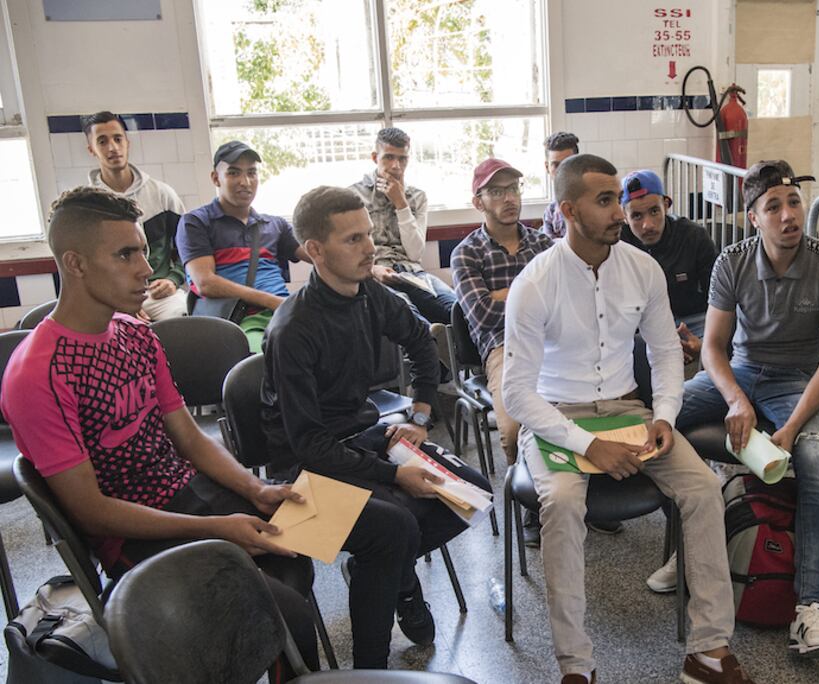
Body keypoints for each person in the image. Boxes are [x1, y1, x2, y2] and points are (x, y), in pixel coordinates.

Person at [0, 187, 319, 681]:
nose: (146, 269)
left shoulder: (135, 332)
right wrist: (218, 528)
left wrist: (254, 490)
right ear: (75, 263)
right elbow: (90, 510)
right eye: (126, 254)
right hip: (130, 534)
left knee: (300, 543)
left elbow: (188, 437)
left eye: (144, 251)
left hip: (185, 494)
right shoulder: (37, 373)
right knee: (280, 613)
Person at [502, 154, 753, 684]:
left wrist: (665, 414)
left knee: (704, 488)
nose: (620, 211)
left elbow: (665, 351)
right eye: (605, 201)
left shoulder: (642, 269)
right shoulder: (534, 283)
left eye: (618, 198)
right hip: (555, 415)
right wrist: (588, 446)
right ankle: (577, 666)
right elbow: (518, 394)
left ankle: (708, 650)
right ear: (569, 210)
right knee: (564, 503)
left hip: (626, 408)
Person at [261, 185, 489, 669]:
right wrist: (394, 475)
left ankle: (381, 571)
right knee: (396, 526)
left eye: (367, 234)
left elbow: (424, 345)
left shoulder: (372, 294)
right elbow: (308, 446)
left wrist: (422, 416)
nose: (369, 248)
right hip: (299, 475)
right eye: (352, 240)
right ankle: (371, 667)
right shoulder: (292, 330)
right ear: (315, 252)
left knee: (472, 491)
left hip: (360, 439)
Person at [673, 160, 819, 659]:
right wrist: (735, 398)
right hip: (743, 372)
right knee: (663, 420)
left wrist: (792, 429)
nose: (788, 215)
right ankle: (684, 552)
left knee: (818, 462)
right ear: (752, 217)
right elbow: (712, 348)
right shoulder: (731, 261)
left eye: (793, 202)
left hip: (801, 382)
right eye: (772, 206)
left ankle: (810, 611)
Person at [450, 158, 554, 546]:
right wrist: (530, 295)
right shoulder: (466, 253)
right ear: (478, 202)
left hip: (554, 340)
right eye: (497, 191)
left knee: (577, 406)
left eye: (513, 189)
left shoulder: (544, 243)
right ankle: (532, 501)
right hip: (503, 347)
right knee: (513, 428)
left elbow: (561, 299)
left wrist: (506, 295)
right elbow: (481, 312)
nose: (509, 198)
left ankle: (579, 490)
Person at [177, 141, 309, 352]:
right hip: (238, 319)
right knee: (264, 362)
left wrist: (369, 267)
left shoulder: (275, 225)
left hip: (284, 313)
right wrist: (272, 301)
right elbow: (205, 283)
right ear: (215, 178)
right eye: (233, 173)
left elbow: (319, 255)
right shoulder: (196, 223)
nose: (245, 182)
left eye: (252, 173)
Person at [84, 110, 188, 321]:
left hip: (158, 294)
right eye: (102, 141)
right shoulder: (86, 206)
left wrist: (173, 279)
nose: (113, 148)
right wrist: (121, 303)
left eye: (117, 139)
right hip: (110, 300)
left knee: (185, 322)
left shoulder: (162, 194)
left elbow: (187, 248)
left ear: (127, 143)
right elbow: (85, 269)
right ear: (91, 150)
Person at [350, 127, 457, 326]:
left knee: (456, 309)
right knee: (406, 310)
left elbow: (415, 253)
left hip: (411, 272)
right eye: (389, 157)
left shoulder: (417, 197)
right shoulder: (354, 196)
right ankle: (434, 344)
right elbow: (349, 251)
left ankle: (456, 352)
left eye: (402, 159)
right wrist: (373, 270)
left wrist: (401, 203)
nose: (396, 166)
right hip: (375, 272)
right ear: (375, 157)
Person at [620, 169, 718, 345]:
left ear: (666, 205)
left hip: (691, 322)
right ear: (624, 216)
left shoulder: (693, 236)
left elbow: (718, 298)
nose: (647, 225)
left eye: (654, 211)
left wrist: (704, 343)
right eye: (636, 216)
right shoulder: (616, 244)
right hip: (640, 327)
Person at [540, 131, 580, 240]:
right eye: (556, 165)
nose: (562, 171)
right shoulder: (550, 212)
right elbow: (550, 250)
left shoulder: (593, 202)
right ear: (547, 167)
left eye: (567, 163)